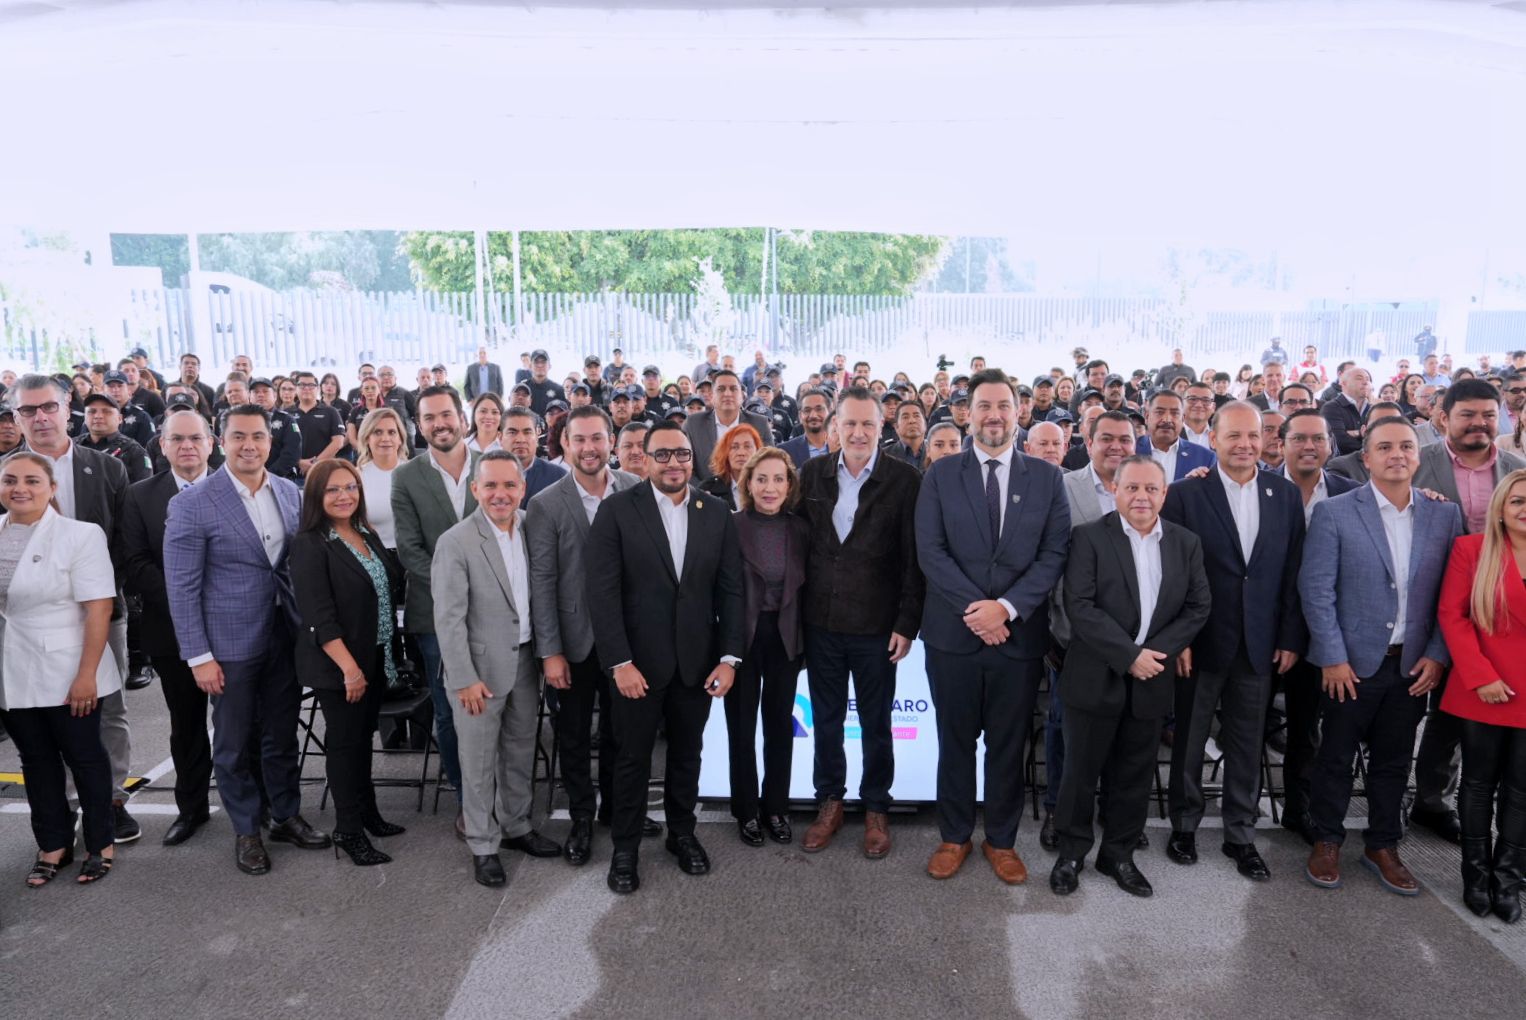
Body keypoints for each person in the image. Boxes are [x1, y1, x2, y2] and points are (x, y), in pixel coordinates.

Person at [915, 369, 1069, 883]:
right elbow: (931, 551)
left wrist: (1005, 608)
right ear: (968, 414)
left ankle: (1001, 841)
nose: (994, 415)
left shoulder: (1046, 478)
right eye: (984, 406)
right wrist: (979, 611)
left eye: (1003, 405)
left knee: (1007, 745)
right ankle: (954, 836)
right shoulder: (940, 474)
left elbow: (1054, 554)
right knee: (954, 742)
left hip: (1017, 638)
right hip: (952, 637)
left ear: (1018, 412)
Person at [166, 404, 331, 875]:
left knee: (281, 733)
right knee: (234, 743)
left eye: (257, 436)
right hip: (228, 646)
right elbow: (182, 588)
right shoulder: (193, 502)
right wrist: (198, 656)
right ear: (222, 442)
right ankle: (246, 830)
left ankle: (285, 815)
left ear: (270, 442)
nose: (249, 445)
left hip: (284, 635)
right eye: (238, 436)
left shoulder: (289, 492)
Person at [1300, 418, 1462, 896]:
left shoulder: (1443, 515)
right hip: (1350, 665)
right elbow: (1316, 590)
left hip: (1412, 665)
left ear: (1418, 455)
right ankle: (1327, 839)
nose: (1397, 455)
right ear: (1366, 457)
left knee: (1393, 762)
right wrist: (1332, 657)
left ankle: (1383, 844)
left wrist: (1437, 655)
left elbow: (1452, 596)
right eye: (1385, 447)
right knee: (1335, 756)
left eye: (1406, 446)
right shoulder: (1334, 513)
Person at [587, 422, 744, 894]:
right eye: (662, 455)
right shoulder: (617, 511)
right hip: (636, 667)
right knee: (631, 760)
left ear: (692, 459)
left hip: (697, 664)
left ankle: (682, 834)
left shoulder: (716, 512)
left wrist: (729, 658)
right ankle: (625, 848)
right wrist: (619, 662)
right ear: (643, 459)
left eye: (681, 454)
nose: (673, 463)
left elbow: (731, 591)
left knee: (687, 755)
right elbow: (602, 592)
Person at [1049, 456, 1211, 897]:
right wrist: (1129, 656)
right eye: (1132, 488)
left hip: (1152, 677)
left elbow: (1198, 606)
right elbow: (1079, 605)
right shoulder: (1088, 537)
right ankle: (1071, 853)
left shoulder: (1185, 543)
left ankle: (1118, 855)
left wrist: (1152, 655)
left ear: (1164, 494)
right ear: (1115, 490)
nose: (1142, 496)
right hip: (1095, 676)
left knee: (1134, 775)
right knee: (1080, 773)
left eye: (1151, 489)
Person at [1161, 401, 1306, 882]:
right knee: (1189, 738)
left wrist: (1289, 636)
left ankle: (1240, 833)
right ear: (1213, 440)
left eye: (1253, 435)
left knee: (1248, 740)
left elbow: (1292, 572)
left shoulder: (1284, 495)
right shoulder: (1186, 493)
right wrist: (1178, 638)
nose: (1245, 444)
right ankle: (1184, 824)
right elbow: (1172, 572)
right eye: (1234, 435)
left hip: (1260, 642)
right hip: (1199, 640)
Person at [797, 387, 924, 859]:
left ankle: (876, 807)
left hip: (877, 627)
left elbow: (914, 559)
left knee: (876, 724)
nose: (858, 432)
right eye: (849, 423)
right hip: (822, 624)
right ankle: (829, 801)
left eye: (867, 423)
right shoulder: (811, 474)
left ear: (880, 427)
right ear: (835, 426)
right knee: (827, 722)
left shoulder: (905, 480)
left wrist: (907, 623)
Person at [12, 373, 139, 842]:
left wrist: (97, 594)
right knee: (45, 714)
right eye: (28, 410)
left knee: (108, 709)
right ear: (17, 417)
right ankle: (63, 803)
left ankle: (111, 799)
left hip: (101, 610)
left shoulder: (106, 468)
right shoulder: (5, 474)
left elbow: (124, 541)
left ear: (69, 408)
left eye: (49, 406)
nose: (40, 417)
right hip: (27, 620)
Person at [525, 406, 652, 864]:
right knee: (574, 736)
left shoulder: (637, 489)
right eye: (579, 439)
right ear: (564, 444)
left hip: (628, 642)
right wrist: (550, 651)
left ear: (611, 441)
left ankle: (617, 809)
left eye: (597, 438)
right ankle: (581, 816)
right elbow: (542, 582)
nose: (589, 448)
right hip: (573, 643)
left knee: (624, 733)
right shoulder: (545, 504)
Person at [431, 451, 560, 886]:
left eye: (509, 485)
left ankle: (516, 826)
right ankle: (483, 844)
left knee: (520, 751)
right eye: (490, 485)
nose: (499, 494)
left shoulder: (531, 526)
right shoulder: (456, 541)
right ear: (475, 489)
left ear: (522, 488)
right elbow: (448, 620)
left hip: (525, 661)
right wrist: (464, 678)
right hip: (478, 671)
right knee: (479, 762)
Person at [1408, 378, 1526, 844]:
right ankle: (1422, 799)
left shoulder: (1516, 470)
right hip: (1430, 605)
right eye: (1468, 415)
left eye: (1488, 416)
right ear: (1443, 418)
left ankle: (1453, 802)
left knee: (1479, 711)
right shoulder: (1417, 463)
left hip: (1501, 613)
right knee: (1434, 714)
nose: (1479, 424)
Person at [0, 452, 120, 885]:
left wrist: (86, 675)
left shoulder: (80, 535)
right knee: (35, 760)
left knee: (85, 758)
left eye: (32, 481)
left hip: (69, 668)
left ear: (51, 488)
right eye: (10, 480)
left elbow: (99, 609)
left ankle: (101, 842)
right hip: (12, 668)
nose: (20, 488)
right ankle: (53, 843)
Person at [290, 460, 406, 867]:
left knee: (361, 741)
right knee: (343, 746)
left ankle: (368, 813)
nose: (344, 496)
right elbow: (318, 616)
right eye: (333, 490)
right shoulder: (309, 543)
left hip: (375, 656)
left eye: (351, 487)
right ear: (316, 496)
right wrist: (349, 669)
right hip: (340, 665)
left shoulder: (364, 532)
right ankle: (348, 830)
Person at [120, 410, 216, 845]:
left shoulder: (233, 487)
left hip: (234, 626)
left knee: (243, 724)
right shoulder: (140, 495)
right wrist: (185, 600)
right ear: (162, 445)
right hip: (171, 629)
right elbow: (135, 562)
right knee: (187, 724)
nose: (187, 446)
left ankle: (258, 808)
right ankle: (192, 809)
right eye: (177, 439)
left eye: (195, 438)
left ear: (210, 443)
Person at [1436, 469, 1526, 922]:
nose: (1525, 509)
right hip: (1485, 688)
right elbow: (1452, 615)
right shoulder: (1471, 549)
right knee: (1476, 785)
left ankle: (1507, 879)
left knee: (1521, 791)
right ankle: (1475, 876)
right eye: (1517, 501)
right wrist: (1479, 676)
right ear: (1501, 509)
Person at [392, 385, 479, 838]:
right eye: (429, 417)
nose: (439, 424)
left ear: (462, 418)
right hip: (435, 614)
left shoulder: (493, 465)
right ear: (419, 425)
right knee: (449, 711)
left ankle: (498, 794)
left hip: (494, 612)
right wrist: (461, 589)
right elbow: (410, 550)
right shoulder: (406, 477)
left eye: (446, 414)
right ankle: (467, 801)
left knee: (497, 707)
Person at [726, 447, 811, 846]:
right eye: (761, 479)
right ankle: (746, 811)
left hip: (784, 635)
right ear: (748, 484)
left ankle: (776, 807)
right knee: (741, 729)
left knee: (779, 728)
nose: (770, 487)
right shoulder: (731, 526)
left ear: (789, 485)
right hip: (742, 637)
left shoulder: (801, 529)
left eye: (778, 479)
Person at [685, 369, 772, 473]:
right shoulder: (693, 424)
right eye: (721, 389)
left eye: (733, 389)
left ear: (742, 396)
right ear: (712, 396)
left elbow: (770, 464)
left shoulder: (760, 424)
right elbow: (686, 467)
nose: (727, 393)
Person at [355, 407, 409, 549]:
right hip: (375, 554)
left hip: (414, 555)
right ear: (367, 438)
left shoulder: (415, 472)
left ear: (400, 439)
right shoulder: (356, 477)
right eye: (377, 432)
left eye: (392, 432)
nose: (385, 438)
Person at [1137, 390, 1216, 480]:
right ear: (1147, 417)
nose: (1167, 419)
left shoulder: (1205, 457)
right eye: (1159, 412)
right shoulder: (1131, 450)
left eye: (1175, 413)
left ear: (1183, 419)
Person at [77, 392, 152, 483]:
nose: (98, 416)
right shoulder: (73, 446)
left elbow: (144, 489)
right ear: (84, 418)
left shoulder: (134, 452)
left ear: (120, 418)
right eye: (92, 412)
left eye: (106, 411)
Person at [499, 405, 566, 502]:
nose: (520, 439)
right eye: (512, 432)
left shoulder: (558, 477)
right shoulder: (487, 474)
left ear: (537, 435)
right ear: (500, 438)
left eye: (527, 432)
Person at [291, 371, 346, 477]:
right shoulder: (287, 413)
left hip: (323, 473)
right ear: (296, 389)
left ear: (318, 389)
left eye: (311, 385)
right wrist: (298, 462)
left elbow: (338, 442)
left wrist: (315, 463)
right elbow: (280, 445)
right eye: (302, 385)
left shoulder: (331, 412)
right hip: (293, 475)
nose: (306, 388)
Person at [698, 423, 761, 510]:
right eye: (734, 447)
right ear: (725, 453)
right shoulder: (708, 489)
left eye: (747, 446)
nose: (741, 453)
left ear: (758, 451)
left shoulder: (769, 486)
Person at [1321, 367, 1372, 456]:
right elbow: (1339, 442)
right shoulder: (1331, 408)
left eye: (1368, 379)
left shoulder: (1373, 408)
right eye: (1359, 378)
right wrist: (1371, 448)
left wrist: (1355, 433)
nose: (1365, 382)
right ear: (1343, 383)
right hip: (1341, 463)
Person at [780, 389, 832, 468]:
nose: (813, 415)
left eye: (819, 409)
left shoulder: (843, 447)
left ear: (830, 412)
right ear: (800, 416)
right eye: (807, 410)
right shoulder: (785, 451)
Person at [524, 349, 567, 416]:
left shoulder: (558, 390)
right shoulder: (523, 388)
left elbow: (564, 415)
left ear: (549, 366)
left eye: (543, 362)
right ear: (530, 366)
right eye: (536, 362)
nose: (540, 365)